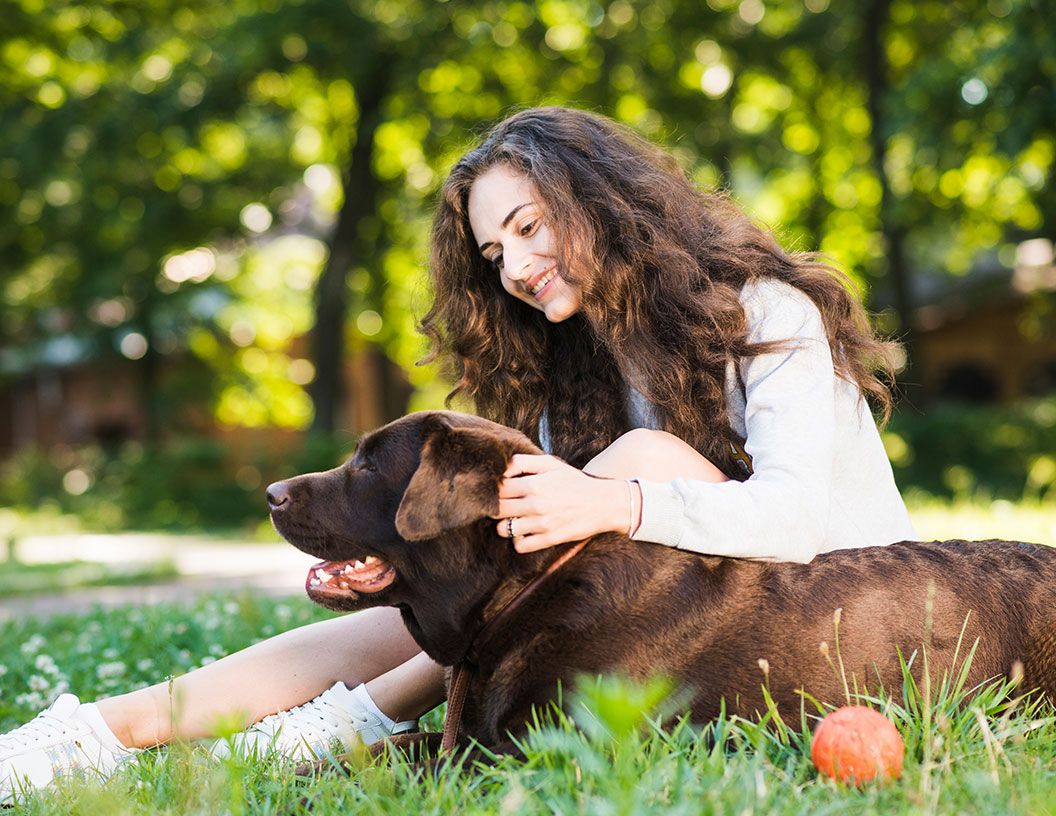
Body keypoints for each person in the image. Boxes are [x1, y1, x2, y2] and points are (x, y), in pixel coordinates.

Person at [0, 106, 915, 801]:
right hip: (676, 623)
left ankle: (353, 719)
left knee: (633, 469)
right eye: (492, 251)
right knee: (456, 573)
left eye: (528, 227)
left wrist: (619, 502)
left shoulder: (767, 313)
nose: (512, 267)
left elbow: (798, 517)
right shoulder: (580, 366)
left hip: (836, 615)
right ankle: (106, 729)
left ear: (602, 201)